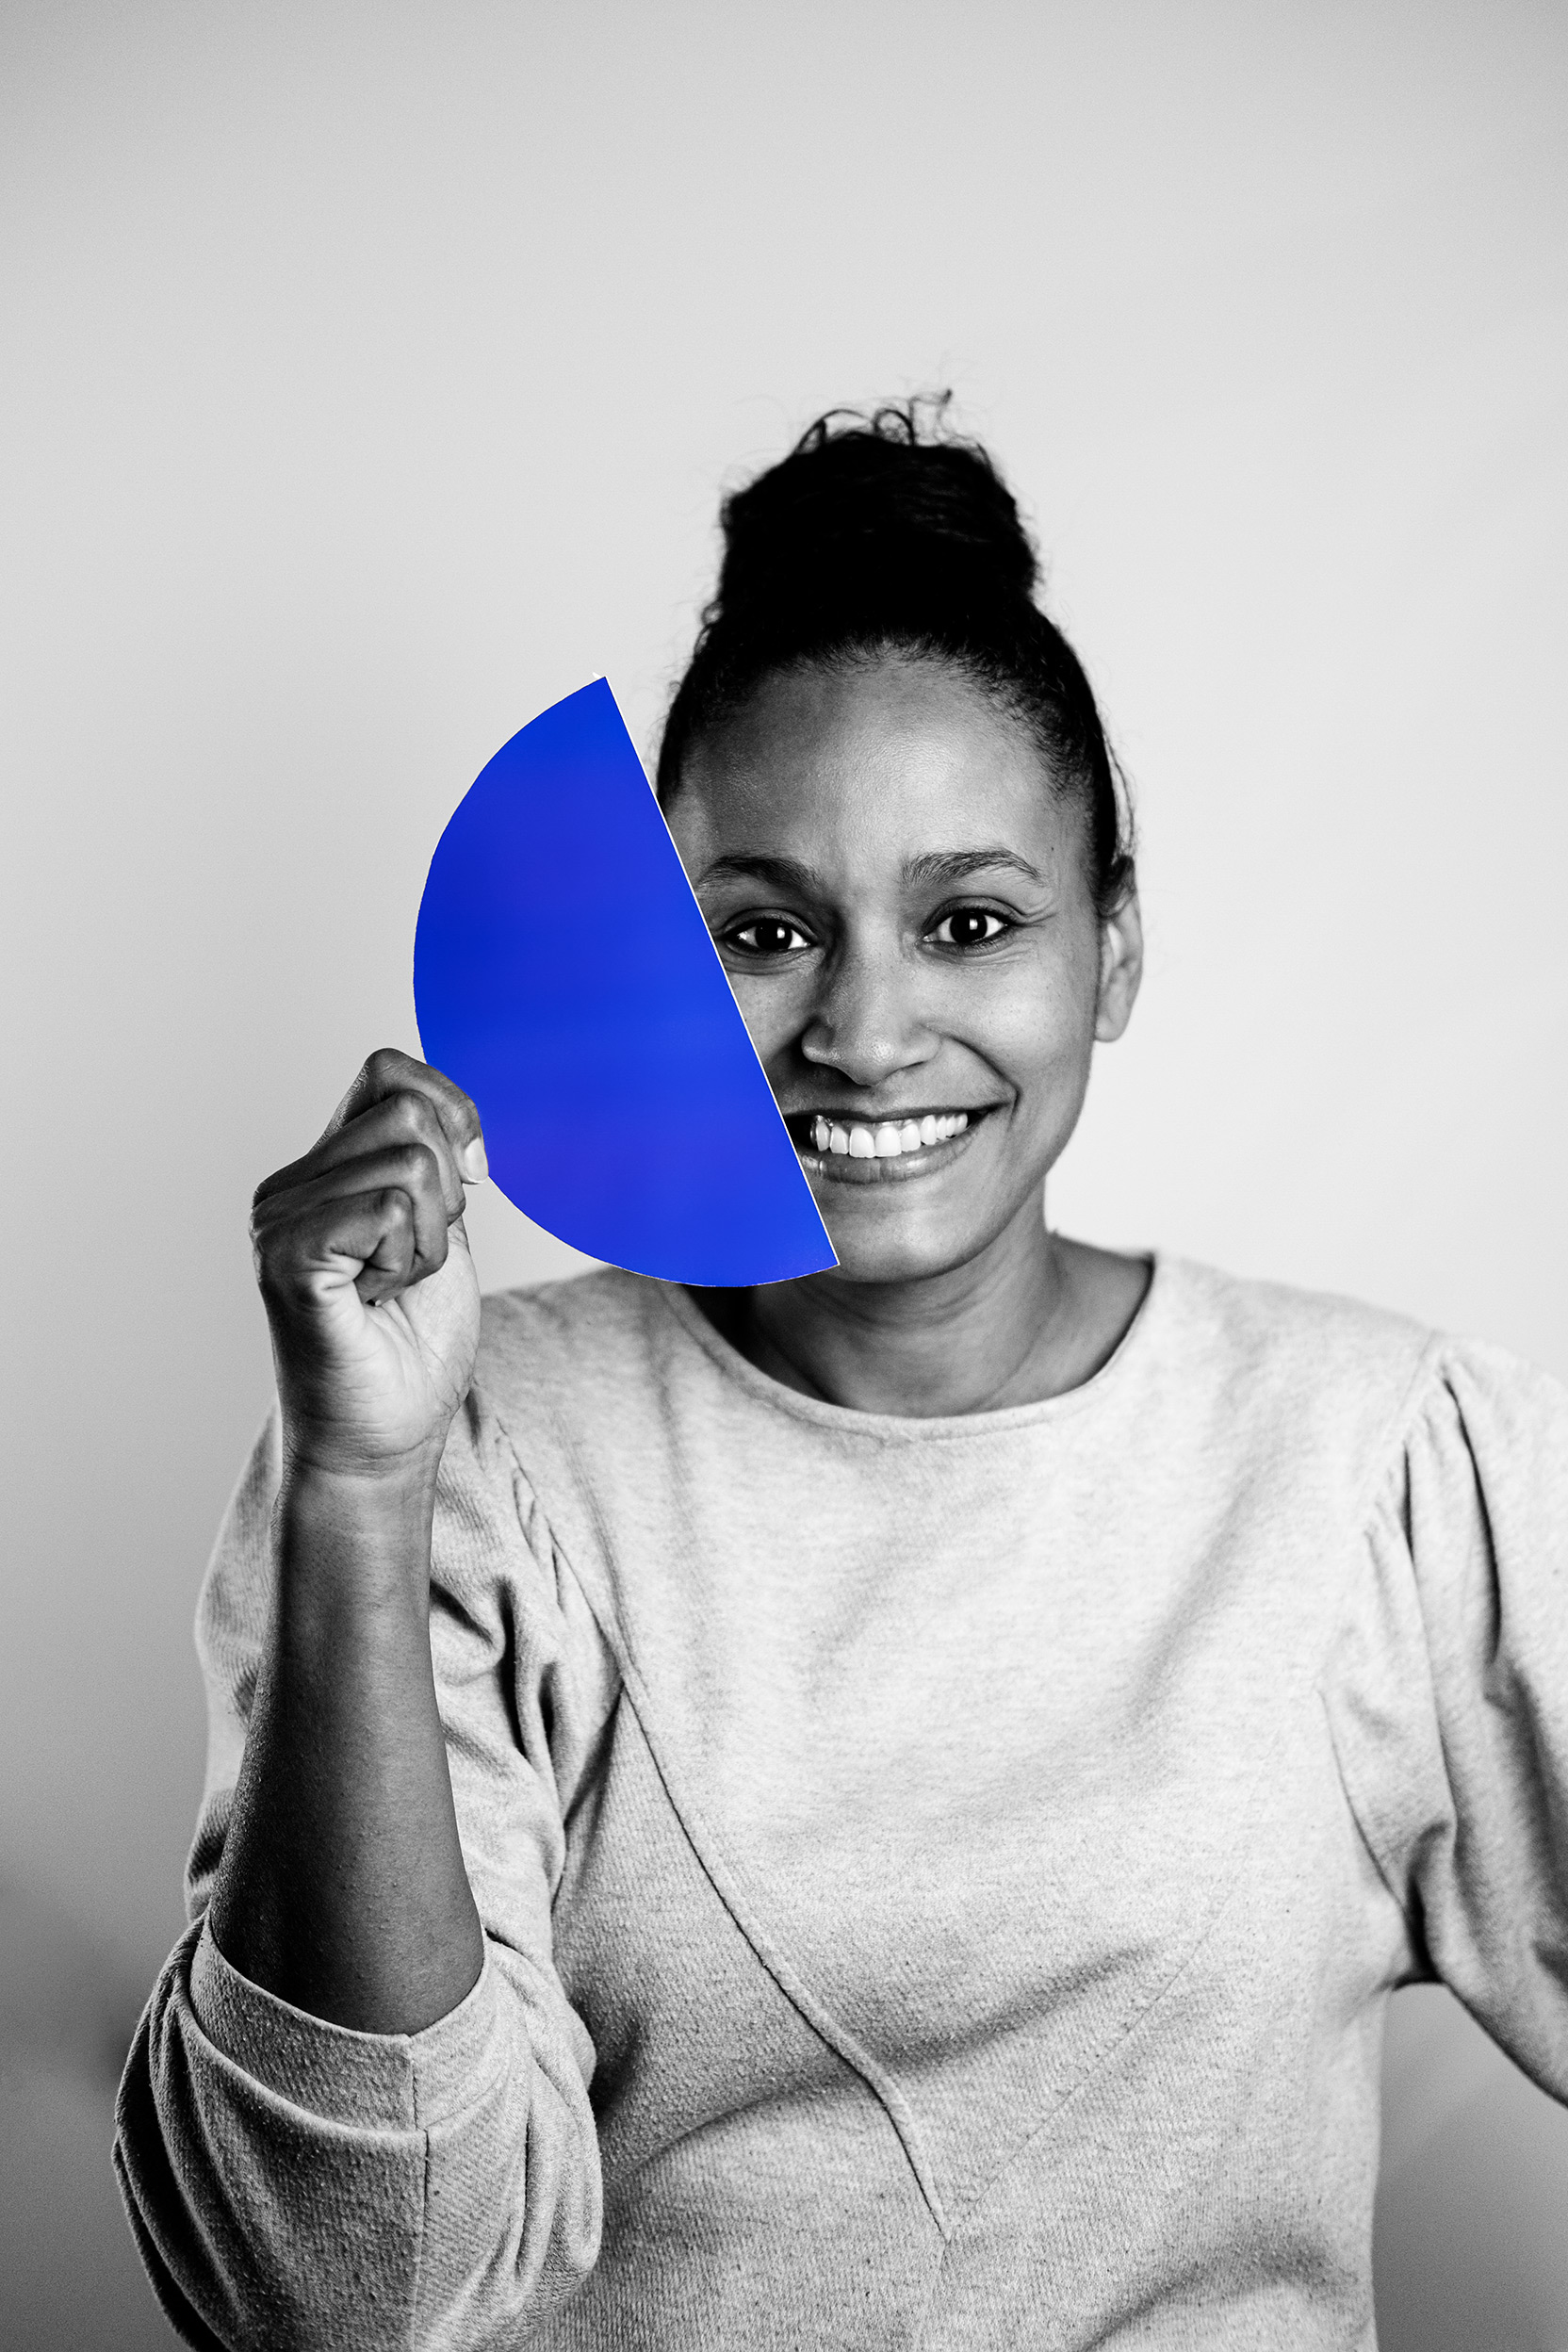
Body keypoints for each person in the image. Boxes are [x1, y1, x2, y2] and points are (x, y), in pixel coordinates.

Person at [115, 402, 1568, 2352]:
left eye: (970, 923)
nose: (867, 1034)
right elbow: (335, 2293)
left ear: (1114, 949)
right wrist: (362, 1490)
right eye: (764, 932)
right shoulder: (460, 1455)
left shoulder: (1386, 1467)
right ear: (653, 961)